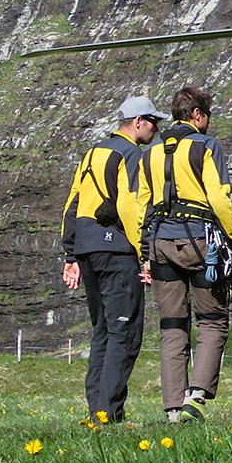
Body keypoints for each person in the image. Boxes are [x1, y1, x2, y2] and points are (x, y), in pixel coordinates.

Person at [138, 87, 232, 423]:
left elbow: (142, 206)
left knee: (172, 326)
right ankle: (196, 395)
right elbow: (218, 199)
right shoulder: (206, 146)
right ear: (197, 115)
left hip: (159, 244)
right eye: (208, 116)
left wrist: (144, 253)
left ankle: (172, 409)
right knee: (213, 320)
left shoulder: (150, 155)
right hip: (201, 243)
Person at [59, 96, 164, 422]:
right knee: (124, 331)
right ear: (138, 122)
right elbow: (132, 207)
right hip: (117, 252)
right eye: (153, 122)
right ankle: (109, 412)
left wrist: (70, 253)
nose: (157, 129)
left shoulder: (93, 153)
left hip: (87, 250)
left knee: (102, 330)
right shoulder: (130, 154)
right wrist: (144, 253)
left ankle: (97, 409)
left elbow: (71, 205)